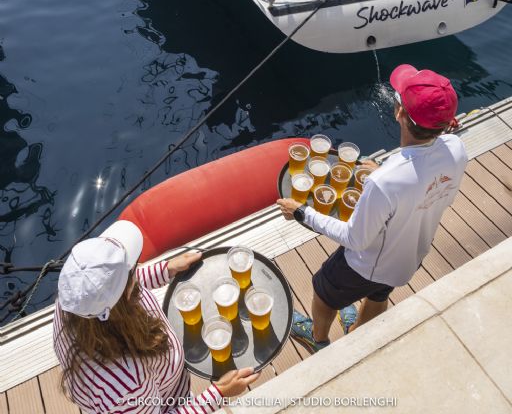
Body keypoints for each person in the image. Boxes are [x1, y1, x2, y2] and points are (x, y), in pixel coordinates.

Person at [277, 64, 467, 354]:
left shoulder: (384, 182)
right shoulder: (456, 148)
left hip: (367, 265)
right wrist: (385, 171)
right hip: (409, 258)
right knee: (379, 293)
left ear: (399, 113)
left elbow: (355, 239)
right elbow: (425, 182)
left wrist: (302, 212)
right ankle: (356, 335)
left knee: (323, 292)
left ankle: (319, 341)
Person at [54, 219, 259, 413]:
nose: (135, 269)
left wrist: (165, 269)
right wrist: (217, 394)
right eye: (132, 268)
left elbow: (111, 286)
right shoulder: (128, 388)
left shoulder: (74, 300)